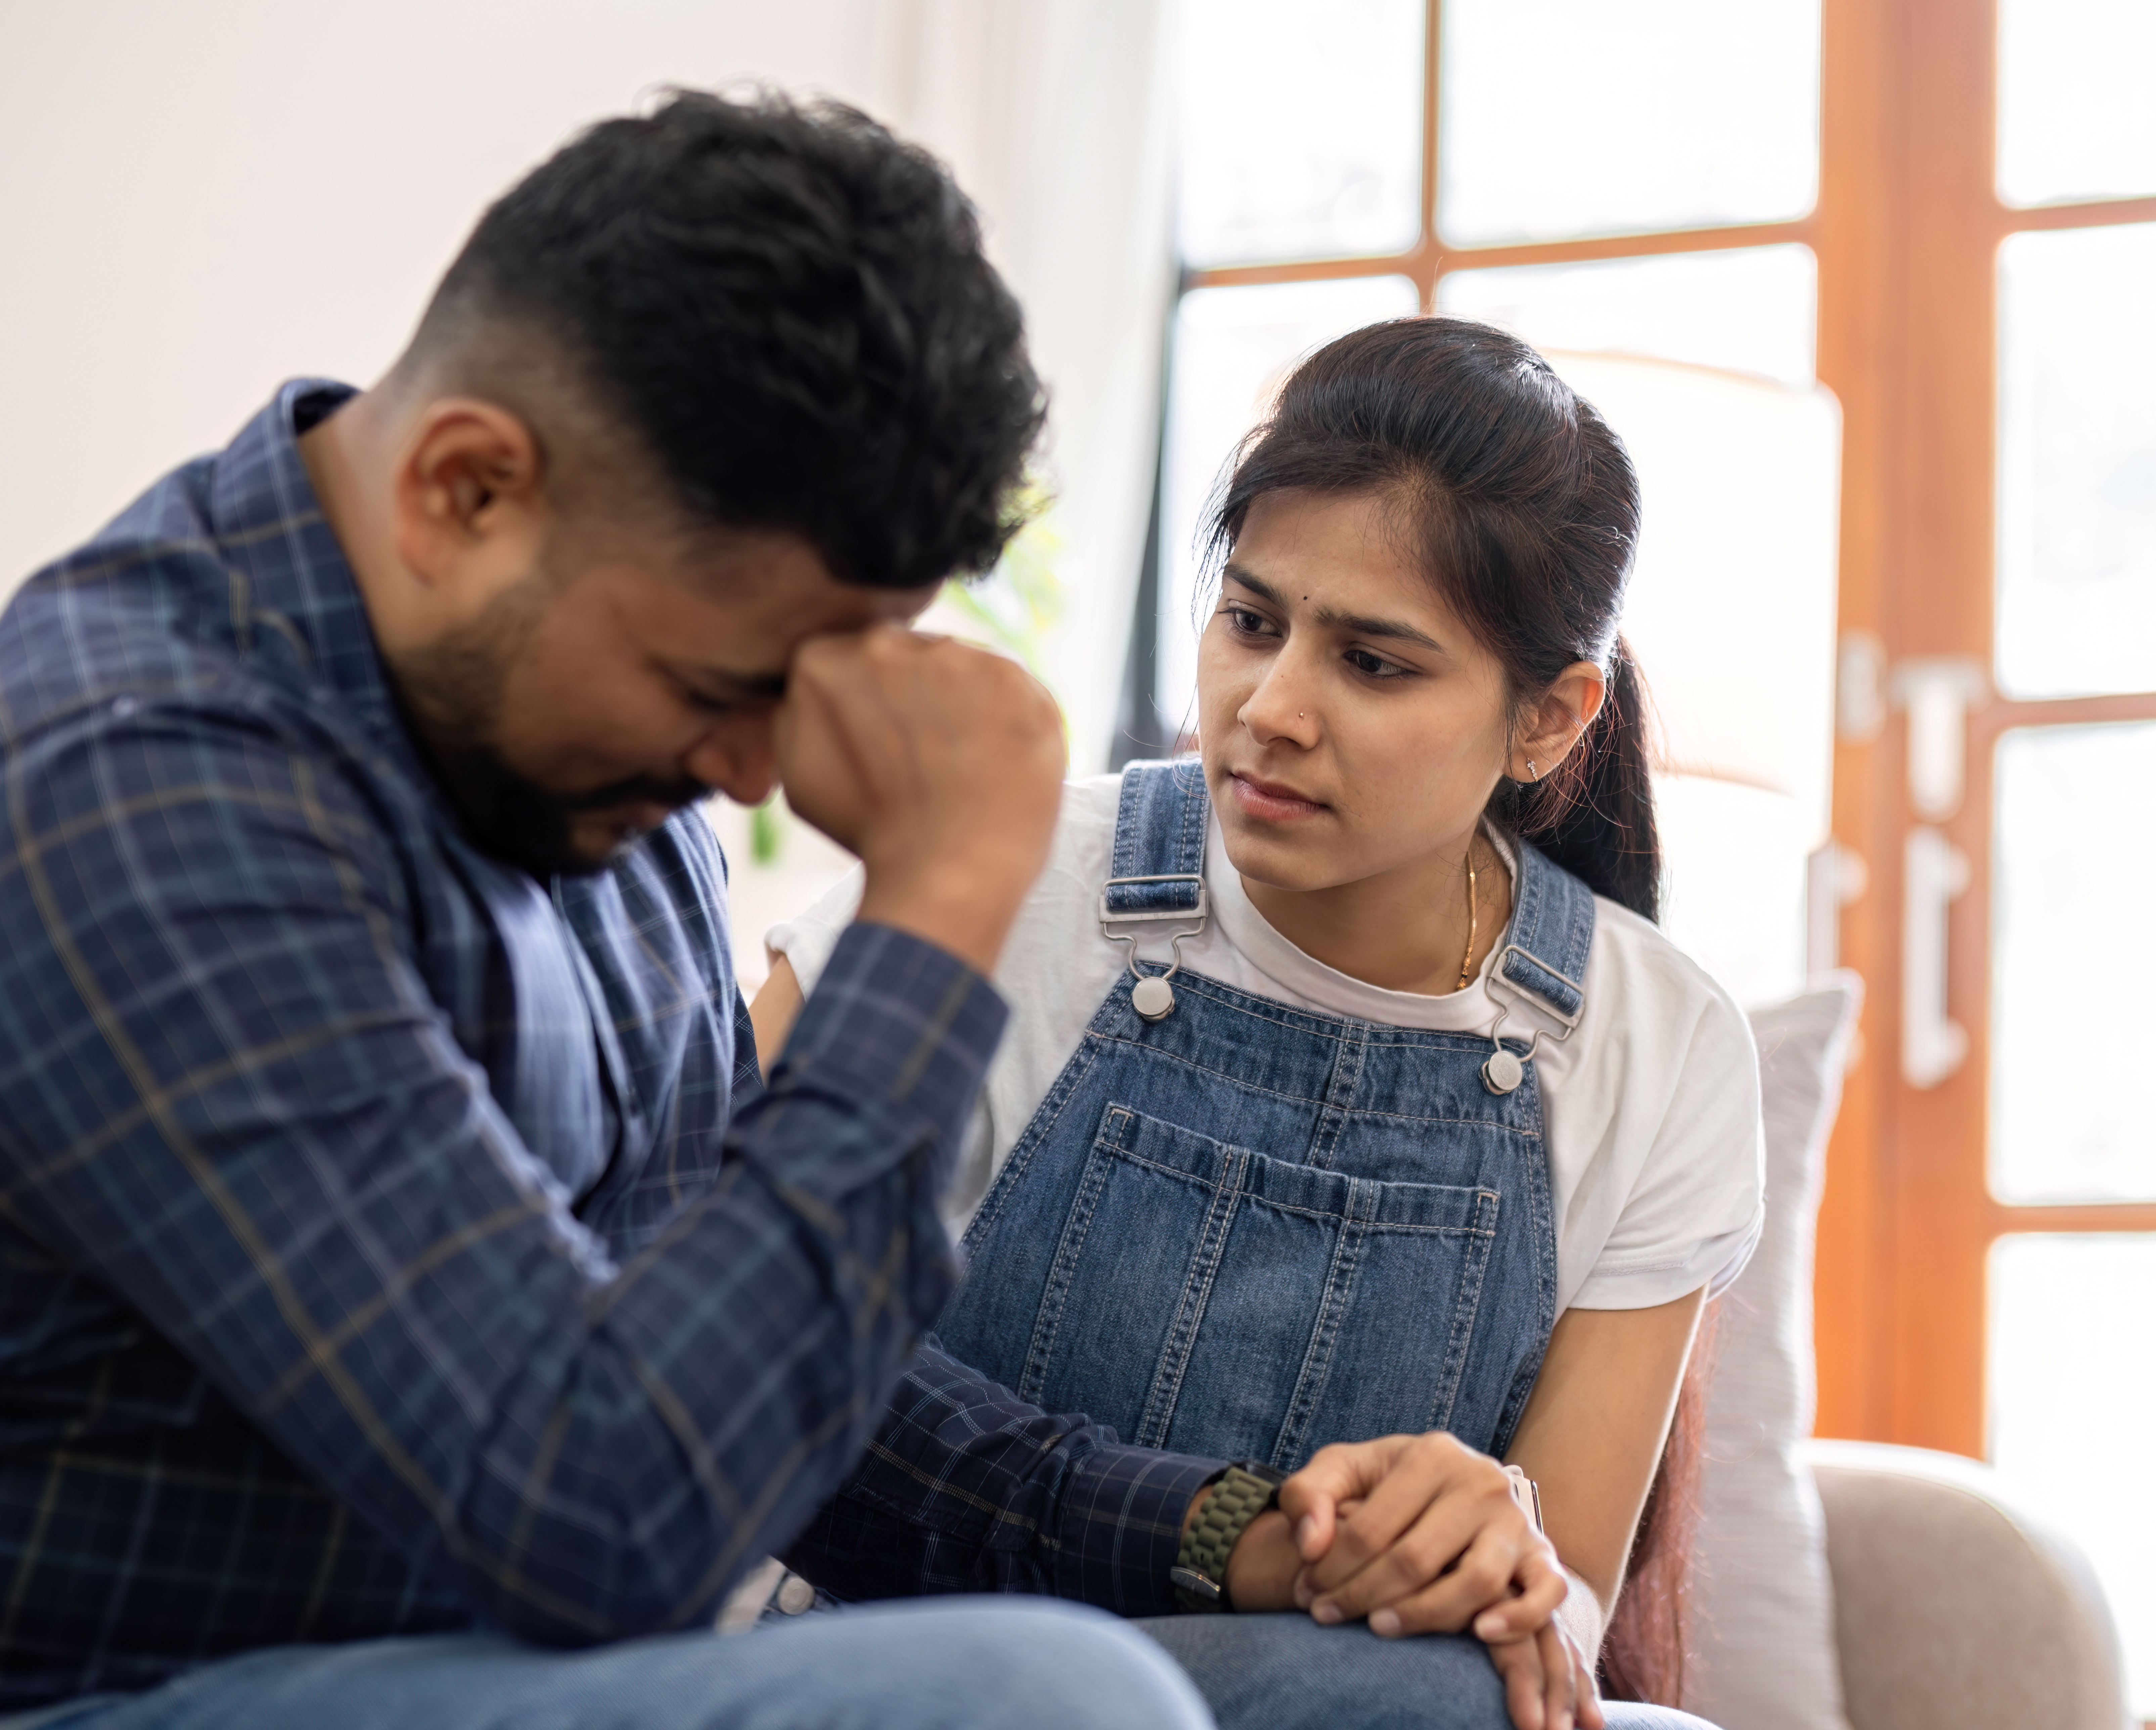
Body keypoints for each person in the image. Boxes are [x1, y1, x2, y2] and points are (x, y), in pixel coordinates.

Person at [0, 94, 1563, 1730]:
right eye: (719, 684)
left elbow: (761, 1391)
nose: (758, 770)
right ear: (467, 489)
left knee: (1415, 1705)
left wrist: (1242, 1533)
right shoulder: (136, 783)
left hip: (506, 1664)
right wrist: (943, 902)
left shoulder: (597, 765)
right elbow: (609, 1511)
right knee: (1053, 1703)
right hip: (149, 1690)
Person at [756, 318, 1766, 1729]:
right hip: (919, 1665)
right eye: (1251, 620)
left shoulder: (1662, 1048)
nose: (1269, 709)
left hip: (1349, 1684)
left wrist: (1492, 1534)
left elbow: (1558, 1617)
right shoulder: (1010, 873)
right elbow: (726, 1343)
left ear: (1548, 720)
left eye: (1375, 664)